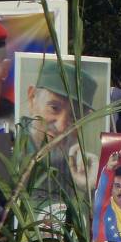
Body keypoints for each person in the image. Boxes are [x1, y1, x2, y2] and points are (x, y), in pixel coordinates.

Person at [20, 60, 99, 192]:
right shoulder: (6, 149)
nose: (62, 127)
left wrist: (89, 189)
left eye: (75, 117)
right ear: (32, 98)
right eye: (54, 108)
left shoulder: (77, 167)